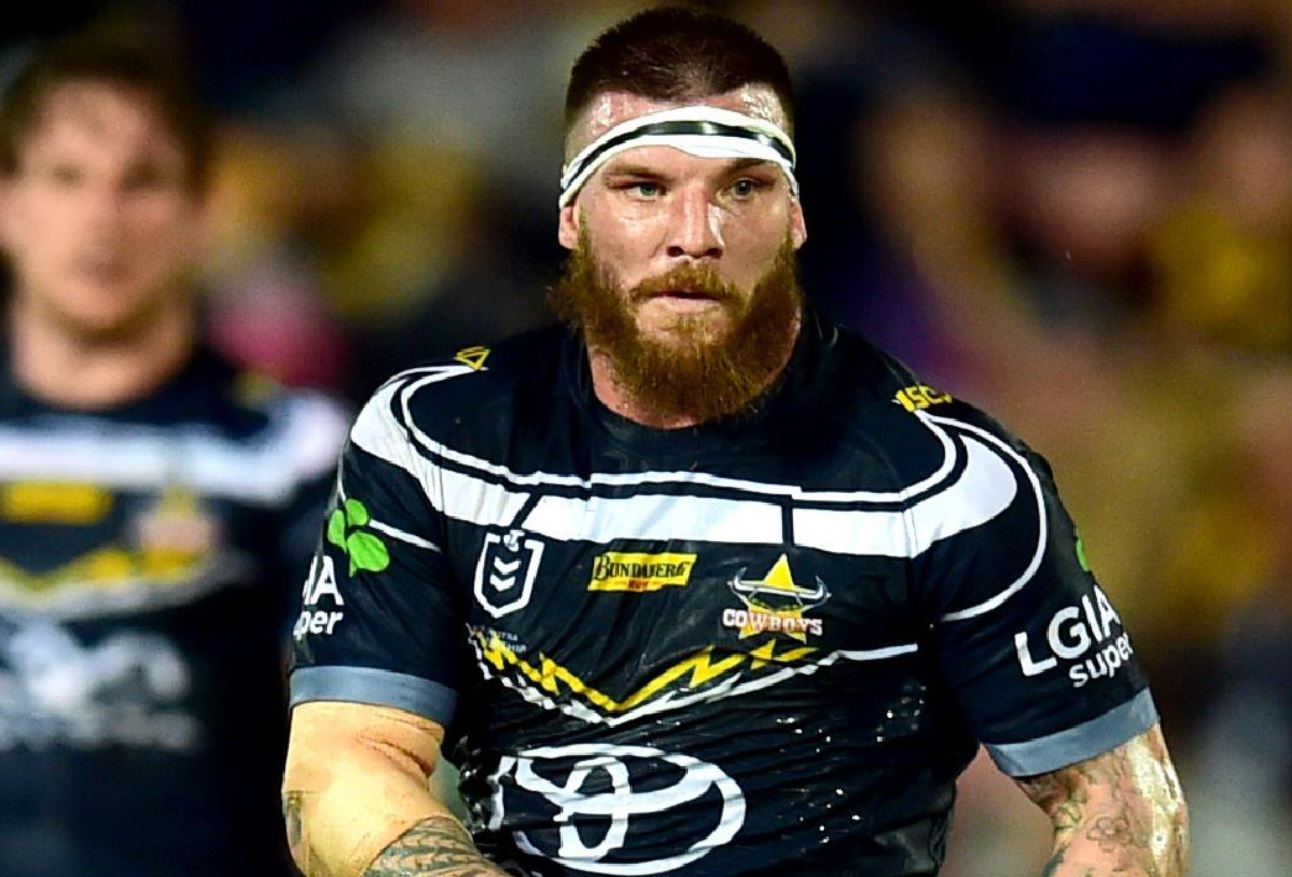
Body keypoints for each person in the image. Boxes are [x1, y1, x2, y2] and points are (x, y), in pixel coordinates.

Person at [281, 7, 1189, 877]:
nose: (694, 236)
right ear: (570, 215)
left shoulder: (945, 481)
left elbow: (1120, 803)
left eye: (741, 188)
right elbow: (342, 764)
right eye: (644, 187)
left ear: (794, 216)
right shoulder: (434, 439)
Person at [0, 30, 345, 877]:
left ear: (201, 214)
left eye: (142, 182)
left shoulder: (293, 450)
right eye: (66, 178)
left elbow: (357, 746)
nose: (101, 220)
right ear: (7, 202)